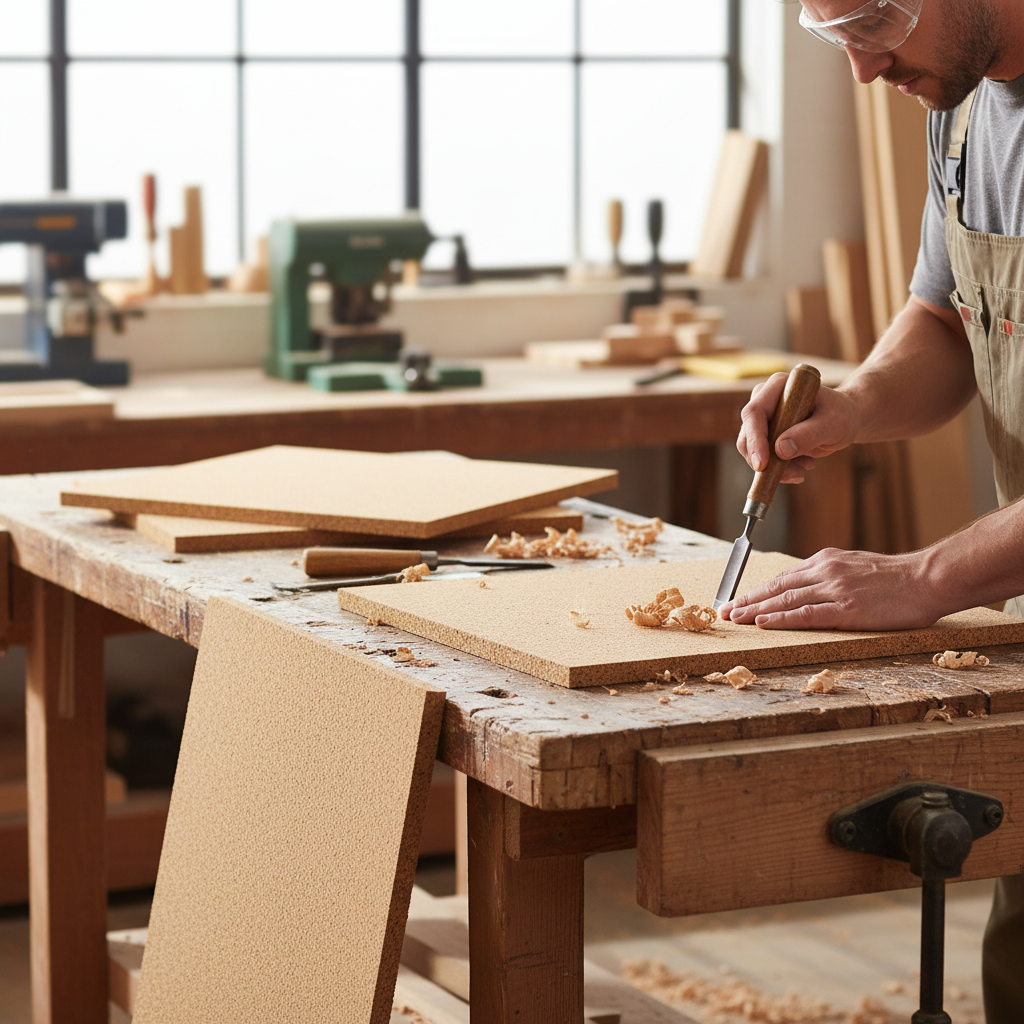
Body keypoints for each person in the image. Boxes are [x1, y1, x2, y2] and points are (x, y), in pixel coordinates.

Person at [716, 0, 1024, 1019]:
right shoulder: (964, 106)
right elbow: (949, 318)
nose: (863, 70)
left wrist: (926, 577)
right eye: (835, 35)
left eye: (875, 22)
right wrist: (851, 404)